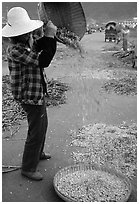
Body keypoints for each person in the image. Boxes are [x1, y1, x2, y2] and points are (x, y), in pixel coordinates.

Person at [2, 7, 57, 181]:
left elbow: (39, 46)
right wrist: (49, 36)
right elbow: (44, 60)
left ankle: (38, 153)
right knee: (36, 131)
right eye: (27, 33)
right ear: (19, 35)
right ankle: (28, 167)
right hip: (29, 96)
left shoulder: (26, 44)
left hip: (37, 92)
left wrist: (48, 36)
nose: (30, 35)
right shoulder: (15, 50)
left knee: (42, 126)